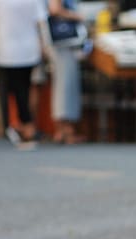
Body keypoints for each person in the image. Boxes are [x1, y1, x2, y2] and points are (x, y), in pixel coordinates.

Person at [0, 0, 50, 148]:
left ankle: (24, 125)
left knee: (15, 89)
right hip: (30, 49)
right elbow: (41, 23)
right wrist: (44, 46)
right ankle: (24, 125)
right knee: (25, 88)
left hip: (6, 51)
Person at [47, 0, 86, 144]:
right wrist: (78, 16)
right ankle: (64, 130)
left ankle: (64, 130)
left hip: (64, 44)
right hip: (62, 43)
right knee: (65, 85)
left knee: (65, 85)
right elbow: (55, 9)